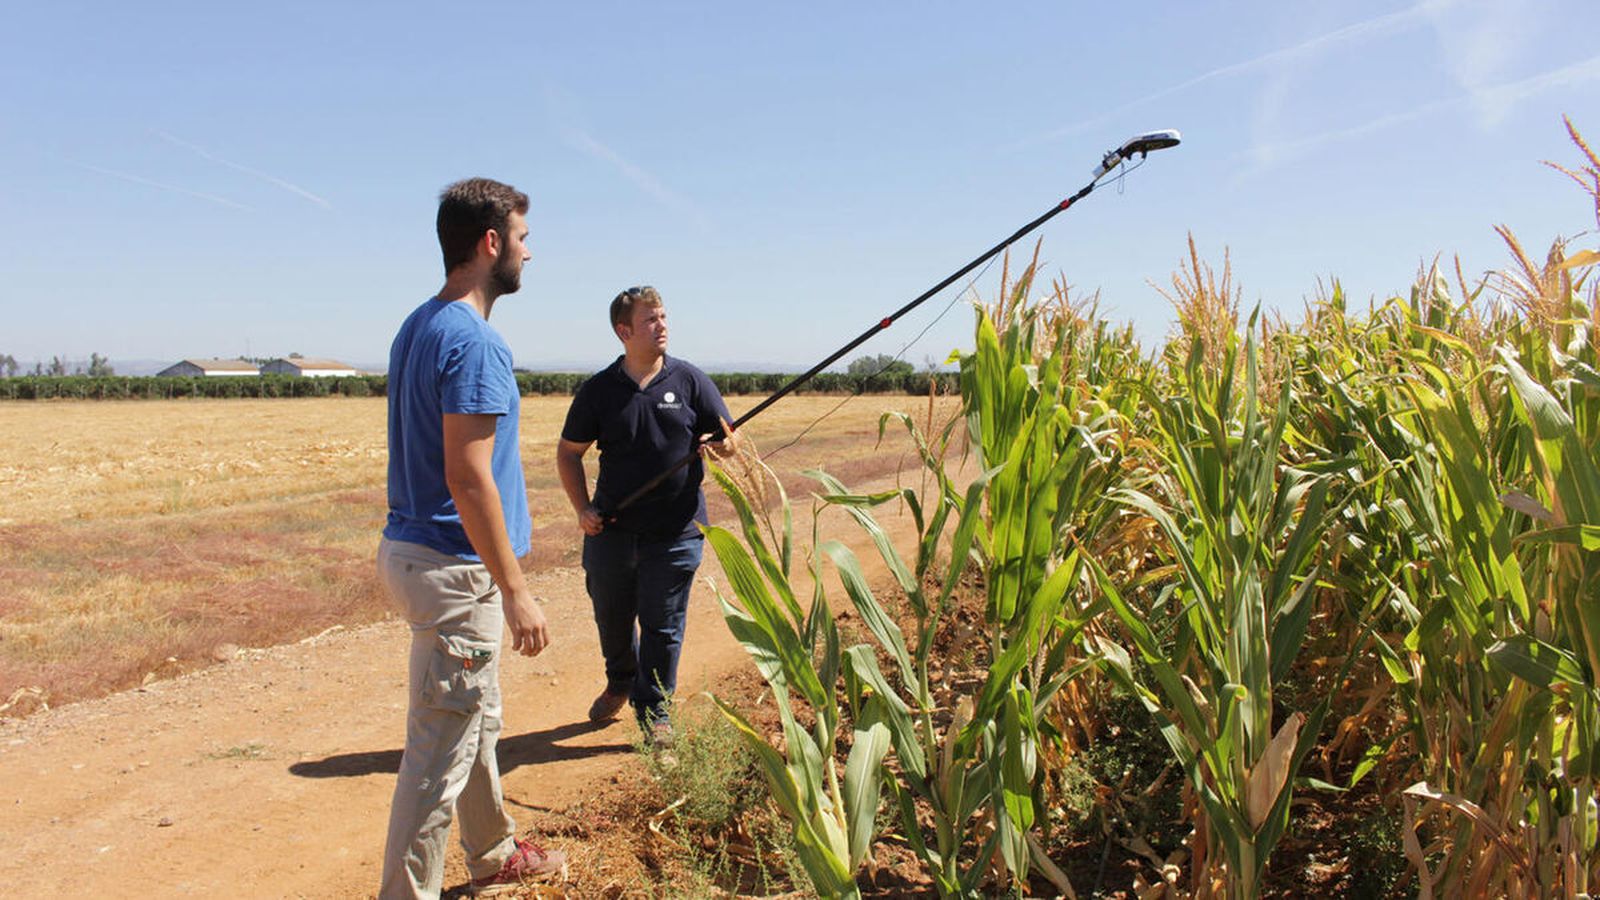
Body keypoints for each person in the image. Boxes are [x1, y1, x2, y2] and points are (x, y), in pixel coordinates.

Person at [377, 177, 565, 898]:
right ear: (490, 245)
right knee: (437, 756)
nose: (527, 252)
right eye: (521, 238)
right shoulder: (477, 343)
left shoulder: (419, 324)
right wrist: (515, 591)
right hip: (457, 569)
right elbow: (468, 476)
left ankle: (493, 852)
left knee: (474, 718)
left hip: (415, 552)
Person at [555, 285, 735, 745]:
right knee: (612, 618)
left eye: (664, 316)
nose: (662, 326)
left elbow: (729, 440)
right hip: (611, 531)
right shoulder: (599, 391)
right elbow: (569, 453)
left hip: (676, 532)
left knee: (663, 623)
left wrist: (720, 446)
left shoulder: (690, 381)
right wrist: (583, 509)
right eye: (651, 319)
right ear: (624, 330)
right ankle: (621, 679)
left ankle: (655, 712)